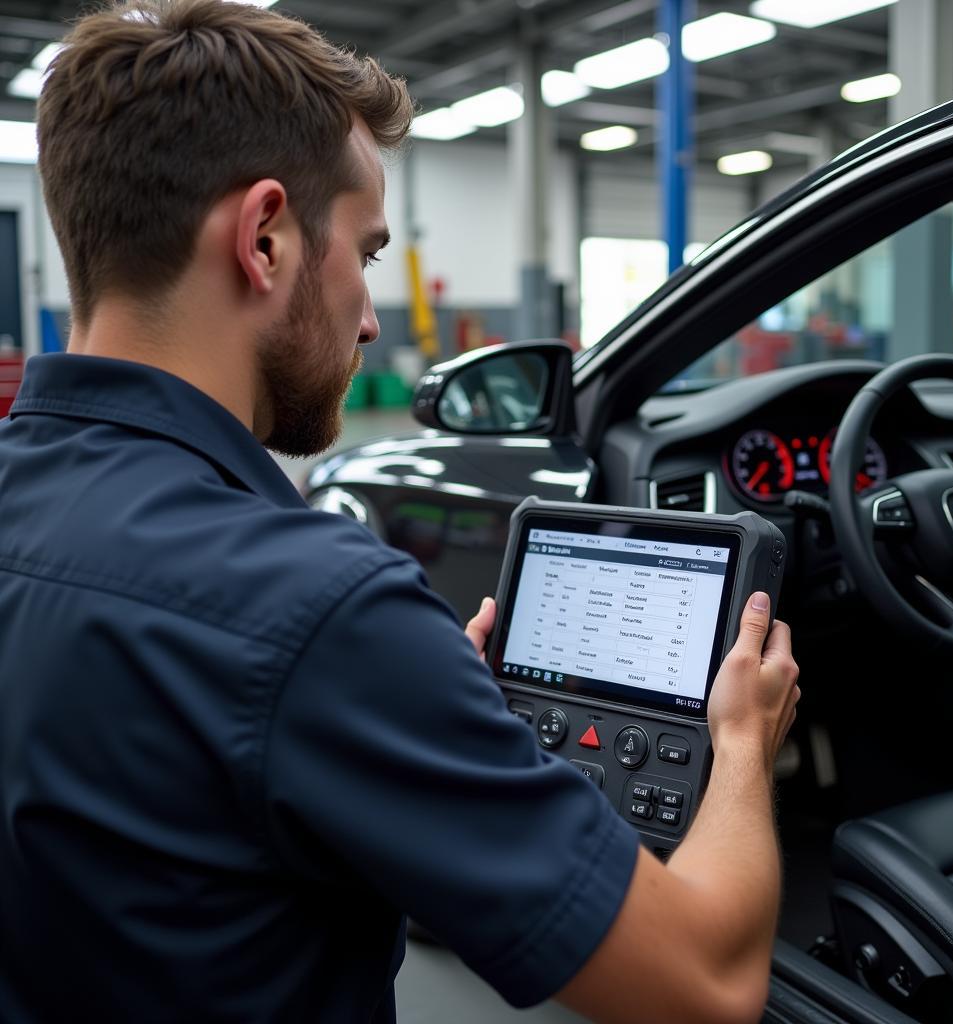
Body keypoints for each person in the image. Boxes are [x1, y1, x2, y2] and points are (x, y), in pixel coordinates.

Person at [0, 2, 801, 1022]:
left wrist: (406, 706)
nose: (372, 318)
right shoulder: (317, 610)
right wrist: (740, 741)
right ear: (265, 238)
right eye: (368, 254)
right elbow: (709, 982)